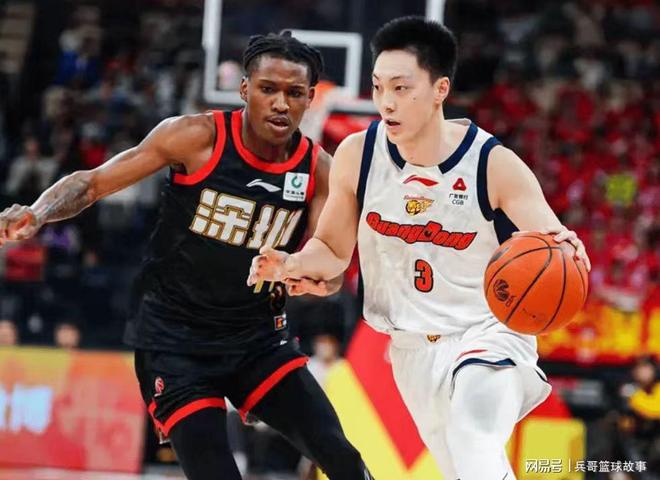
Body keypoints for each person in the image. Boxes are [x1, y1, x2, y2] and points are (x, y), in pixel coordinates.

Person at [0, 32, 372, 480]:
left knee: (344, 459)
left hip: (256, 339)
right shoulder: (195, 137)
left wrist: (312, 278)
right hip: (175, 342)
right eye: (268, 89)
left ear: (310, 98)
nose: (280, 104)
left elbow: (329, 264)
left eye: (294, 93)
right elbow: (93, 182)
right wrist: (38, 213)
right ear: (245, 89)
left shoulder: (319, 169)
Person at [248, 17, 591, 480]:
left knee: (474, 437)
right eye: (378, 87)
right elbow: (331, 249)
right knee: (465, 469)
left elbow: (555, 248)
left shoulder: (492, 164)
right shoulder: (357, 155)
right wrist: (291, 262)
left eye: (401, 88)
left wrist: (569, 252)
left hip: (487, 334)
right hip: (410, 349)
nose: (386, 102)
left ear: (439, 89)